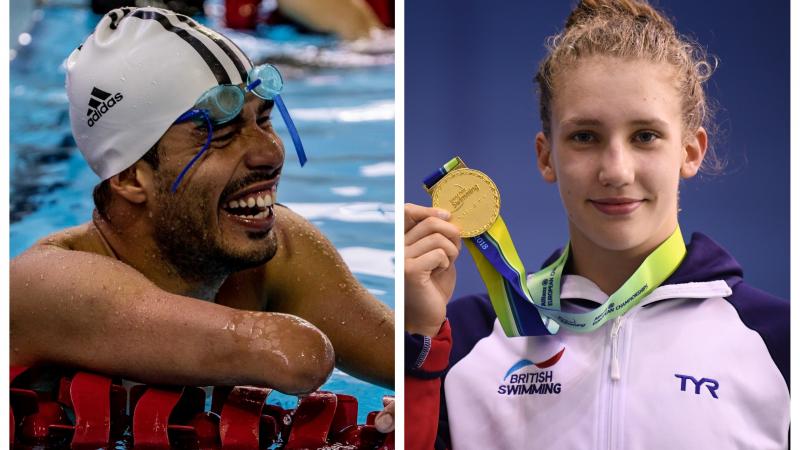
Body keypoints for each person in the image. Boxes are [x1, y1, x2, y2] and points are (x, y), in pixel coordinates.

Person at [404, 0, 789, 448]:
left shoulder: (778, 342)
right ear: (546, 156)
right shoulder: (466, 337)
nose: (616, 171)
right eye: (585, 137)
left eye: (645, 136)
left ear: (690, 151)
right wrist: (418, 343)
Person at [10, 6, 394, 430]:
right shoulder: (43, 285)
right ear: (129, 177)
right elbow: (297, 357)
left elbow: (415, 358)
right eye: (222, 134)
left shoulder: (277, 255)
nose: (270, 153)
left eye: (263, 119)